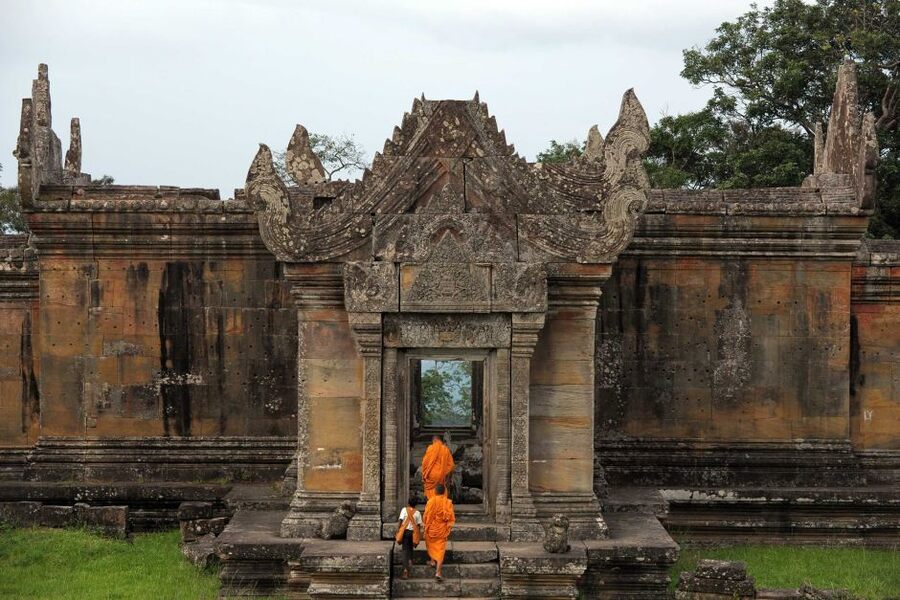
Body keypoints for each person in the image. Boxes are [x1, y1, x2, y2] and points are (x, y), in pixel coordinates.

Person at [423, 483, 455, 581]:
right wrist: (448, 526)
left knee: (431, 545)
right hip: (442, 529)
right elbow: (450, 517)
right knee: (440, 550)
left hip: (432, 528)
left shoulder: (431, 501)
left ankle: (433, 561)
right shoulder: (448, 502)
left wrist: (426, 525)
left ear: (435, 492)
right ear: (444, 492)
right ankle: (438, 571)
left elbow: (426, 516)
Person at [421, 433, 454, 500]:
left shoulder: (430, 448)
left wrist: (425, 473)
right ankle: (441, 506)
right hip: (441, 475)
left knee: (431, 493)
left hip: (431, 475)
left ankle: (432, 505)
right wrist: (444, 472)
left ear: (434, 440)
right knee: (441, 491)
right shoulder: (445, 449)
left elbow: (424, 463)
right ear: (441, 440)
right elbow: (451, 465)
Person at [396, 499, 422, 580]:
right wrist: (418, 536)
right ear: (416, 505)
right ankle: (410, 560)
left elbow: (400, 521)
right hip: (413, 533)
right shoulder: (417, 513)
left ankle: (405, 571)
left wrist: (398, 530)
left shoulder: (404, 510)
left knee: (405, 550)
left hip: (405, 532)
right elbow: (418, 526)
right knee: (410, 547)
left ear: (408, 503)